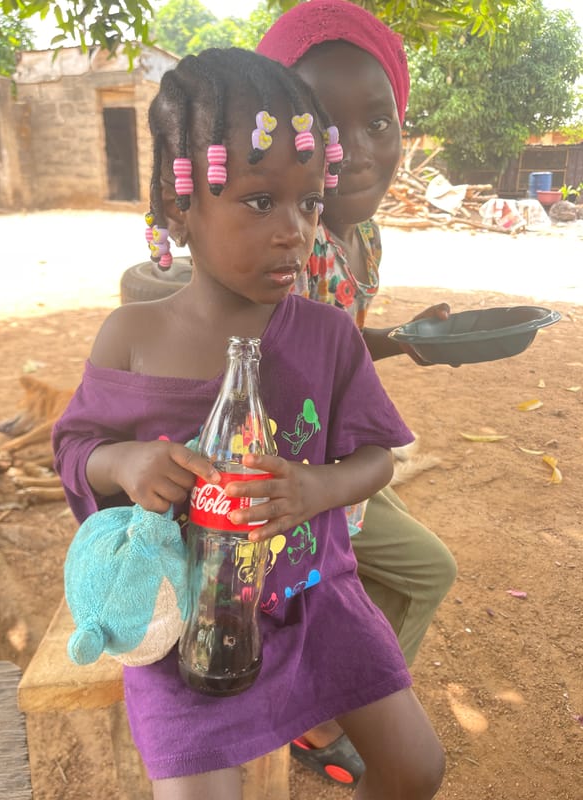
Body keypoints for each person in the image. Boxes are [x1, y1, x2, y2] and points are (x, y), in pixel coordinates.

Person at [53, 47, 445, 800]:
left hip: (316, 602)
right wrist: (126, 462)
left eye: (310, 203)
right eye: (260, 201)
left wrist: (315, 489)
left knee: (416, 768)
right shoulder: (132, 338)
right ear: (179, 206)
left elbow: (377, 458)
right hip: (185, 624)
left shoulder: (329, 338)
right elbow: (76, 448)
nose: (295, 230)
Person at [257, 0, 457, 784]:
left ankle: (331, 705)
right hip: (290, 481)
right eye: (323, 125)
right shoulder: (279, 246)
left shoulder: (363, 235)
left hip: (341, 460)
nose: (356, 151)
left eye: (379, 122)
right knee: (425, 571)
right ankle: (327, 715)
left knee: (416, 569)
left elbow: (335, 346)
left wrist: (403, 340)